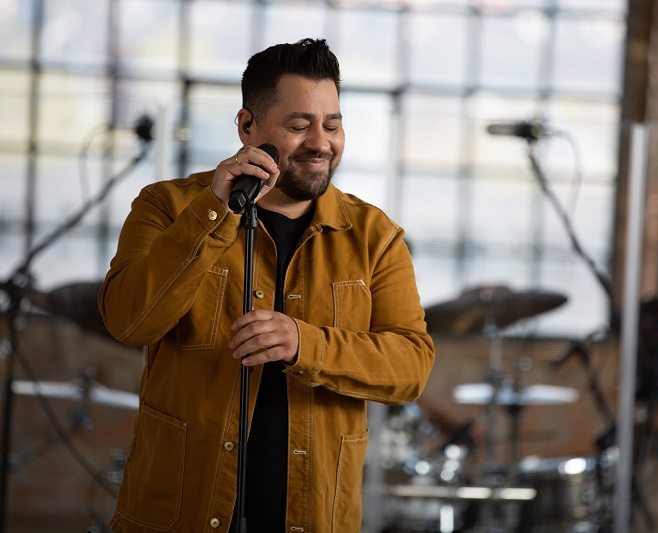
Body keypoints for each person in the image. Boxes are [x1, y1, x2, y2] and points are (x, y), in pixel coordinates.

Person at [98, 38, 435, 532]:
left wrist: (305, 343)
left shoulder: (375, 237)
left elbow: (411, 366)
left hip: (314, 517)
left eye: (332, 125)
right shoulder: (166, 207)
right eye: (299, 126)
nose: (321, 142)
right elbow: (129, 321)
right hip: (179, 517)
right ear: (247, 126)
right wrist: (213, 213)